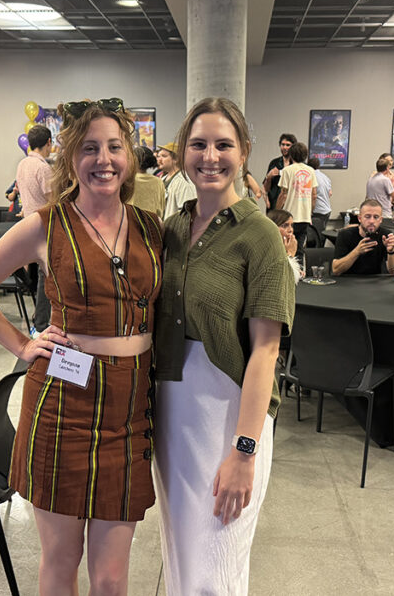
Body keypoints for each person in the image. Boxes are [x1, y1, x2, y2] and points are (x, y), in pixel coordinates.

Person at [0, 98, 162, 595]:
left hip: (129, 417)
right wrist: (23, 345)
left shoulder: (152, 228)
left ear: (129, 157)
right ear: (70, 159)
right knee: (61, 563)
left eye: (114, 147)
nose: (103, 159)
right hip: (61, 408)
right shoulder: (46, 225)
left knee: (110, 579)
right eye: (89, 149)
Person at [155, 97, 294, 595]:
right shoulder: (171, 229)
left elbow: (266, 351)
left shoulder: (260, 236)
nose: (209, 156)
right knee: (181, 557)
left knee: (218, 563)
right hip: (172, 413)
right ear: (182, 150)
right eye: (198, 144)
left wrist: (244, 452)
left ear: (245, 152)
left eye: (223, 145)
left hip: (228, 414)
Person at [16, 124, 55, 337]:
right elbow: (53, 200)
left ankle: (40, 320)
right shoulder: (43, 168)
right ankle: (41, 323)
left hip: (30, 225)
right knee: (46, 275)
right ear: (48, 143)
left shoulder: (22, 164)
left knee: (43, 273)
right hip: (45, 227)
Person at [331, 199, 394, 276]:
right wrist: (357, 252)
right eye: (367, 217)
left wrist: (391, 251)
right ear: (359, 218)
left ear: (380, 220)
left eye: (376, 217)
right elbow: (336, 270)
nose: (371, 221)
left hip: (375, 282)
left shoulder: (385, 236)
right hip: (349, 282)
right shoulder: (345, 235)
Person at [276, 141, 317, 250]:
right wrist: (310, 211)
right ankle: (299, 267)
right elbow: (314, 195)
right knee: (299, 249)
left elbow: (283, 195)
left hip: (290, 217)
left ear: (291, 155)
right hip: (304, 216)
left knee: (286, 248)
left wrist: (276, 212)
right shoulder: (311, 171)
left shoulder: (287, 171)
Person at [159, 141, 197, 219]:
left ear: (176, 159)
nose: (159, 160)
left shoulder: (184, 181)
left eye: (164, 156)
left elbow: (186, 214)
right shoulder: (162, 179)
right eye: (159, 156)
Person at [128, 145, 166, 216]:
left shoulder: (128, 180)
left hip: (132, 221)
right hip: (153, 222)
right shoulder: (158, 181)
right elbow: (162, 206)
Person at [267, 208, 302, 283]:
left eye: (291, 225)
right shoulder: (267, 250)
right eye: (285, 226)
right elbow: (284, 279)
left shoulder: (286, 246)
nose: (290, 230)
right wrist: (290, 254)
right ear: (272, 227)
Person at [263, 133, 295, 211]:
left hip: (291, 206)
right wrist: (268, 177)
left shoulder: (297, 165)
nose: (284, 147)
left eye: (288, 145)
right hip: (274, 204)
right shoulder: (274, 163)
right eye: (282, 144)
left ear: (293, 147)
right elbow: (266, 188)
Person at [308, 157, 332, 232]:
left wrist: (310, 211)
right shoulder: (325, 177)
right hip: (326, 210)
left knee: (314, 238)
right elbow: (330, 193)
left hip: (317, 212)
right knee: (321, 236)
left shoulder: (311, 176)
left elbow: (314, 196)